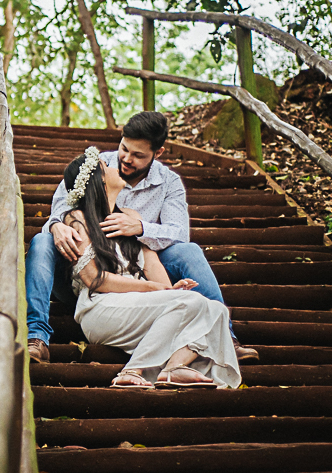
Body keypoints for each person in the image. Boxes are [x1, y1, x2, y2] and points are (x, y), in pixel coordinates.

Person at [25, 111, 259, 364]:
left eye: (138, 155)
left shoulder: (169, 182)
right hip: (84, 274)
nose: (126, 159)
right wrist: (56, 225)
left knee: (189, 251)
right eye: (124, 148)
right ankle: (37, 336)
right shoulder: (96, 166)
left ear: (158, 153)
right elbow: (64, 206)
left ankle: (226, 337)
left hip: (137, 270)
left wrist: (141, 228)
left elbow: (178, 233)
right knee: (42, 240)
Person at [60, 150, 241, 388]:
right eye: (107, 165)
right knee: (193, 303)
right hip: (101, 306)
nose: (116, 166)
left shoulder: (131, 216)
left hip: (138, 304)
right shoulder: (77, 219)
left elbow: (151, 262)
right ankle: (131, 371)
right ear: (99, 180)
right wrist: (153, 289)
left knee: (216, 310)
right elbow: (94, 278)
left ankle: (174, 367)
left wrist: (170, 291)